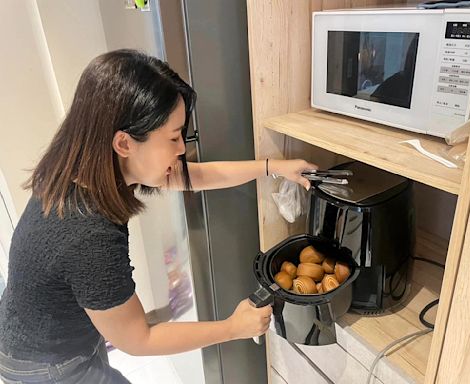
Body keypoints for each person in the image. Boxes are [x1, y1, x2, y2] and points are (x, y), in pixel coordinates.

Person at [0, 49, 318, 384]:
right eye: (173, 136)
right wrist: (232, 328)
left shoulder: (85, 165)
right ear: (124, 143)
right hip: (44, 363)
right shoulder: (87, 234)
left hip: (45, 330)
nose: (181, 147)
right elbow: (139, 339)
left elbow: (195, 176)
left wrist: (274, 168)